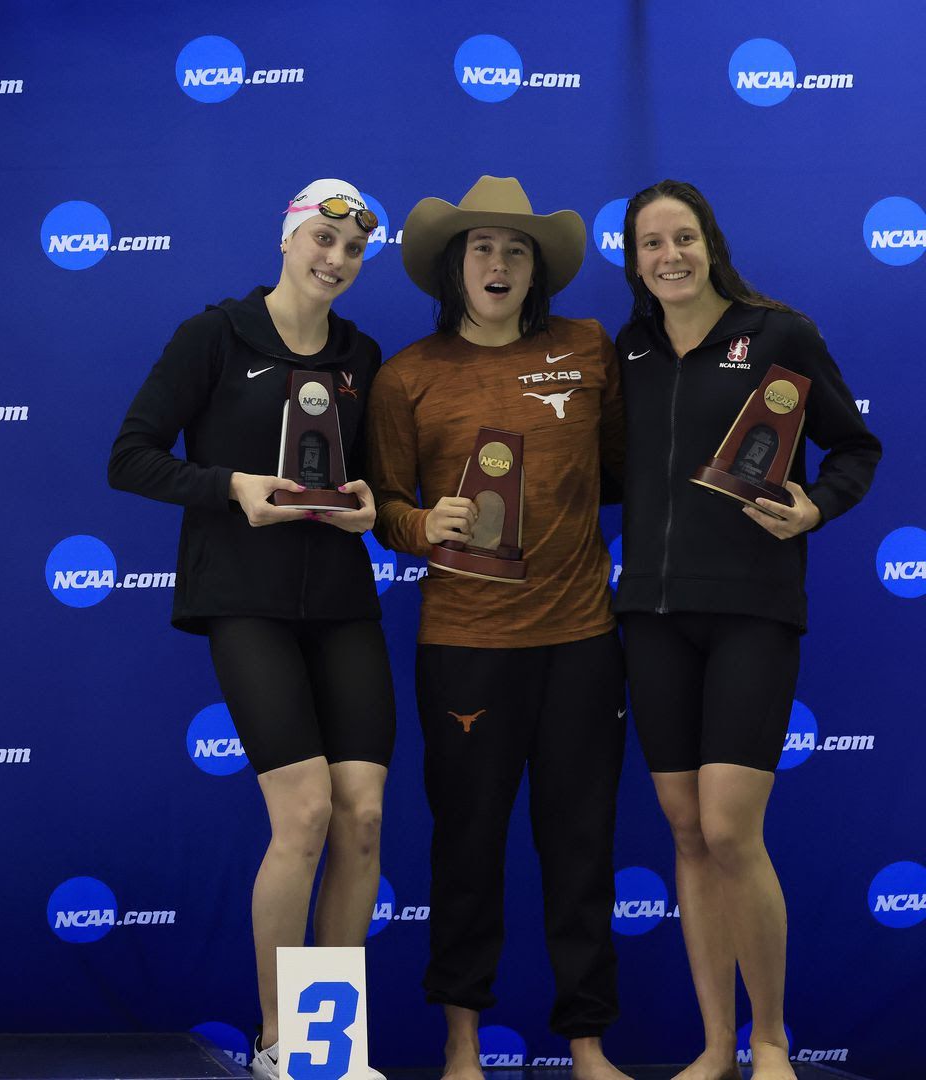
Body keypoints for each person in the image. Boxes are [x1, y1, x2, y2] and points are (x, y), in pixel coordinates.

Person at [109, 180, 391, 1080]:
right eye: (322, 240)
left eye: (353, 251)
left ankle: (330, 1050)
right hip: (244, 598)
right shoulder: (216, 336)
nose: (335, 260)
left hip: (341, 602)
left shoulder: (361, 355)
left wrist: (371, 507)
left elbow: (371, 482)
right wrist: (231, 488)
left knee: (362, 819)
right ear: (287, 238)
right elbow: (131, 457)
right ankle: (281, 1044)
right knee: (304, 814)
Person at [363, 176, 630, 1080]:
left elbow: (623, 468)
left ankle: (588, 1046)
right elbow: (384, 506)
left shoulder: (588, 348)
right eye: (482, 247)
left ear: (537, 270)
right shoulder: (406, 375)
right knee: (467, 849)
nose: (500, 262)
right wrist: (420, 523)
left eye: (517, 250)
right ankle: (461, 1047)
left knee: (582, 848)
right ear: (454, 266)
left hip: (581, 640)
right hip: (465, 646)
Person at [613, 180, 879, 1080]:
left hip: (752, 611)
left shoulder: (777, 336)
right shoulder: (630, 351)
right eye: (651, 244)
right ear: (634, 262)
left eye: (683, 237)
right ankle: (714, 1047)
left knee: (730, 829)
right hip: (650, 615)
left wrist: (817, 506)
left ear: (711, 243)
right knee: (687, 832)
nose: (670, 256)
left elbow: (856, 447)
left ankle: (770, 1042)